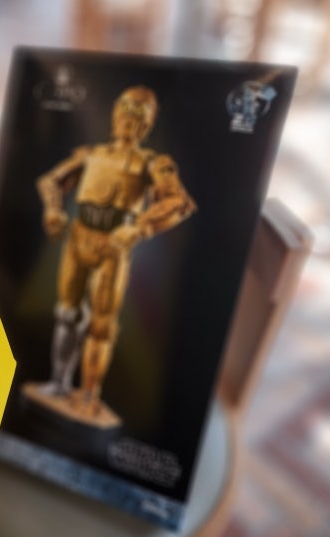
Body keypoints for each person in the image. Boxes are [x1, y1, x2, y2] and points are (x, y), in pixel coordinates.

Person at [36, 85, 197, 417]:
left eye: (139, 114)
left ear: (147, 124)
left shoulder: (152, 163)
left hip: (113, 246)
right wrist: (53, 210)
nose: (129, 119)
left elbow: (179, 202)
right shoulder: (91, 154)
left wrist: (140, 227)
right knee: (66, 313)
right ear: (115, 113)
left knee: (101, 324)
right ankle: (60, 382)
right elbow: (51, 181)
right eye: (125, 110)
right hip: (79, 236)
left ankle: (89, 394)